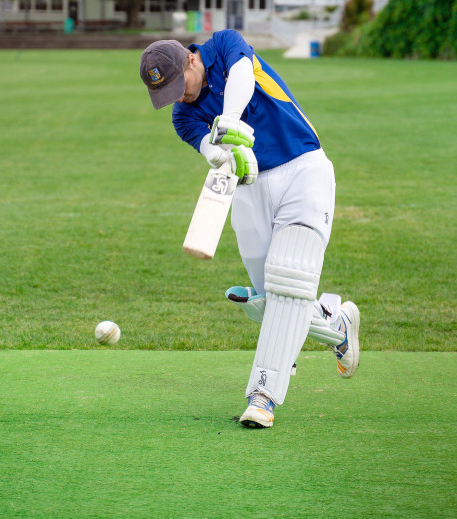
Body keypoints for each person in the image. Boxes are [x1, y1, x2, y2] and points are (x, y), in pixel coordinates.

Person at [139, 29, 360, 429]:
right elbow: (211, 150)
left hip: (303, 168)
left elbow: (242, 76)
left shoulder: (223, 46)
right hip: (249, 187)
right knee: (271, 300)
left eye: (178, 85)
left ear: (190, 60)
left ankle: (263, 395)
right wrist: (221, 149)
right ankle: (335, 323)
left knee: (288, 280)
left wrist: (229, 120)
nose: (178, 97)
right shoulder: (183, 116)